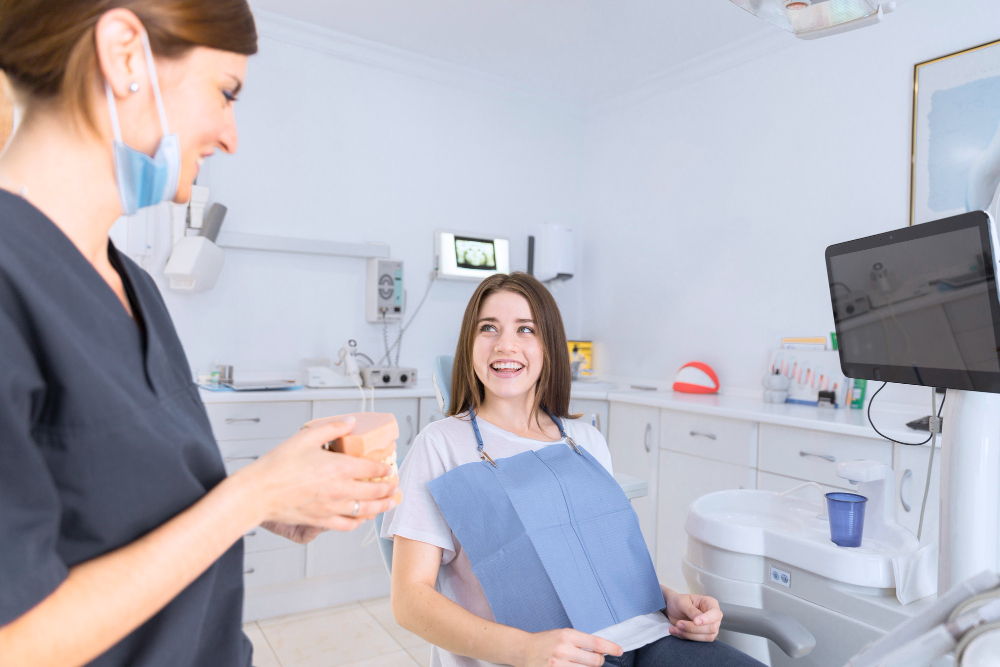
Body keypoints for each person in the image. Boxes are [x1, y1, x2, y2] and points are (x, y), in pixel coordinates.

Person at [0, 2, 398, 666]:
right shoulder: (13, 281)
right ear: (126, 55)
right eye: (226, 92)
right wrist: (253, 494)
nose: (232, 135)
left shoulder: (133, 284)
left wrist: (274, 491)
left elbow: (106, 498)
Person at [381, 272, 765, 667]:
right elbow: (410, 600)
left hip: (650, 635)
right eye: (488, 328)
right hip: (540, 658)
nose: (505, 344)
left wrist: (671, 601)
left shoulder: (585, 441)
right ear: (469, 344)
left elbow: (603, 567)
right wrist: (526, 650)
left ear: (549, 346)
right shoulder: (441, 444)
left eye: (525, 329)